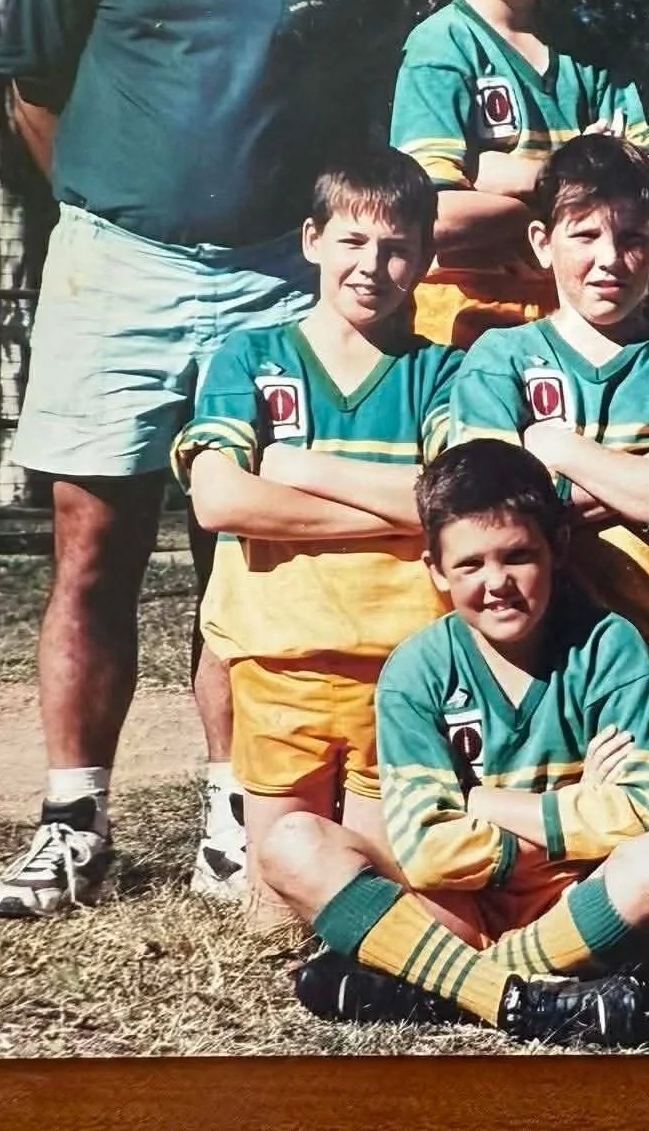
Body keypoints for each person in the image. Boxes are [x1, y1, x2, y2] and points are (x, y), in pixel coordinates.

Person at [0, 0, 394, 917]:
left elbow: (361, 115)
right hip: (116, 266)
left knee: (251, 549)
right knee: (93, 549)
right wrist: (128, 211)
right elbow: (31, 92)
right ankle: (73, 820)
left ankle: (235, 811)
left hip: (279, 275)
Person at [259, 440, 649, 1047]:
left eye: (517, 556)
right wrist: (578, 807)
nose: (496, 583)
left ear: (556, 547)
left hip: (574, 902)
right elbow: (424, 853)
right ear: (436, 571)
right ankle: (521, 1000)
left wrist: (478, 802)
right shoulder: (418, 669)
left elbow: (634, 818)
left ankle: (442, 984)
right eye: (470, 564)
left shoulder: (609, 646)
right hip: (455, 905)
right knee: (293, 843)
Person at [169, 149, 460, 931]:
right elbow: (220, 499)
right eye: (354, 242)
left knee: (382, 901)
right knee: (278, 914)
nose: (373, 266)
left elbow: (456, 508)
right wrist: (400, 511)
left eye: (397, 247)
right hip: (280, 664)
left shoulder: (439, 373)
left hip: (399, 673)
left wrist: (298, 467)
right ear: (311, 241)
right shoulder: (251, 357)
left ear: (426, 258)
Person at [449, 136, 649, 829]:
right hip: (535, 650)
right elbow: (491, 517)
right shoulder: (503, 359)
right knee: (549, 839)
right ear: (541, 241)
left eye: (632, 237)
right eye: (584, 234)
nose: (609, 260)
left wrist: (553, 446)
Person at [391, 0, 649, 349]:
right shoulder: (442, 47)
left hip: (582, 317)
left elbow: (648, 183)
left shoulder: (588, 51)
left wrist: (498, 174)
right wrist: (572, 184)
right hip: (467, 318)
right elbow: (434, 218)